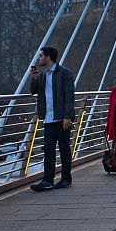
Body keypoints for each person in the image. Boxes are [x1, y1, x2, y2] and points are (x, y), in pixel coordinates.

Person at [29, 46, 75, 191]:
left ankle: (66, 179)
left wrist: (67, 116)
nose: (39, 58)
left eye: (41, 56)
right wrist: (34, 79)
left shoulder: (65, 73)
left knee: (63, 148)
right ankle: (47, 180)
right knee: (48, 149)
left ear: (48, 58)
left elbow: (69, 96)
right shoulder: (42, 75)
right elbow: (33, 91)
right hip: (48, 118)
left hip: (61, 118)